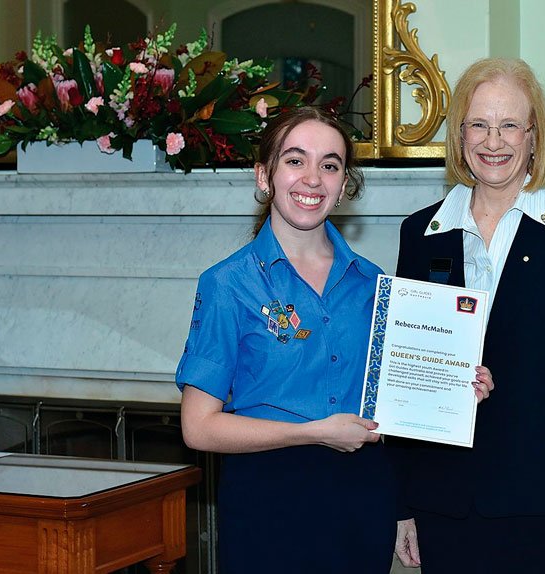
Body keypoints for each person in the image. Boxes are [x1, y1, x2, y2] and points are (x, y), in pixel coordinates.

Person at [176, 106, 493, 574]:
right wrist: (314, 433)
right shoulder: (227, 285)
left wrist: (458, 384)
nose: (312, 179)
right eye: (295, 160)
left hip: (361, 503)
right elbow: (198, 427)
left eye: (329, 165)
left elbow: (396, 403)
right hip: (267, 506)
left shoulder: (374, 284)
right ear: (264, 176)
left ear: (344, 186)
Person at [390, 58, 545, 574]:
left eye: (510, 124)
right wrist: (402, 506)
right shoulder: (419, 235)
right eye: (479, 124)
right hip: (442, 505)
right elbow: (406, 375)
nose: (494, 141)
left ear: (534, 136)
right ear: (460, 135)